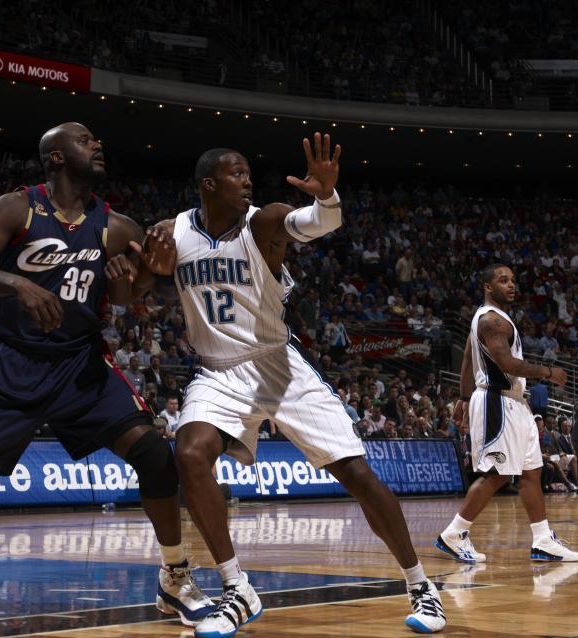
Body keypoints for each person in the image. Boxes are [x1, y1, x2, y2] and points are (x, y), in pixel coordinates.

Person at [0, 122, 213, 635]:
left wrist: (153, 277)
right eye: (84, 140)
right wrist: (15, 284)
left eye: (99, 139)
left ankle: (175, 576)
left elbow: (151, 295)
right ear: (55, 157)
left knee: (154, 456)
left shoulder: (115, 225)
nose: (98, 144)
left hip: (79, 362)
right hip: (7, 362)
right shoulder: (18, 208)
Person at [153, 134, 445, 636]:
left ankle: (421, 585)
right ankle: (236, 587)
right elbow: (145, 286)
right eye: (236, 173)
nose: (247, 181)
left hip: (277, 365)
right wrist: (156, 277)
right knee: (190, 454)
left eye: (248, 172)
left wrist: (326, 196)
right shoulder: (171, 232)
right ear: (209, 184)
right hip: (218, 372)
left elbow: (314, 223)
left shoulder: (262, 220)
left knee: (356, 473)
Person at [437, 264, 578, 564]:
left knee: (531, 471)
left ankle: (542, 540)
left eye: (513, 280)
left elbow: (466, 357)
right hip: (497, 402)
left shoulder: (493, 319)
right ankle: (454, 533)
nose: (511, 285)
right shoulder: (491, 320)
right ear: (488, 287)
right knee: (496, 474)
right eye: (503, 281)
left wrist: (463, 398)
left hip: (514, 403)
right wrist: (549, 371)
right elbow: (506, 363)